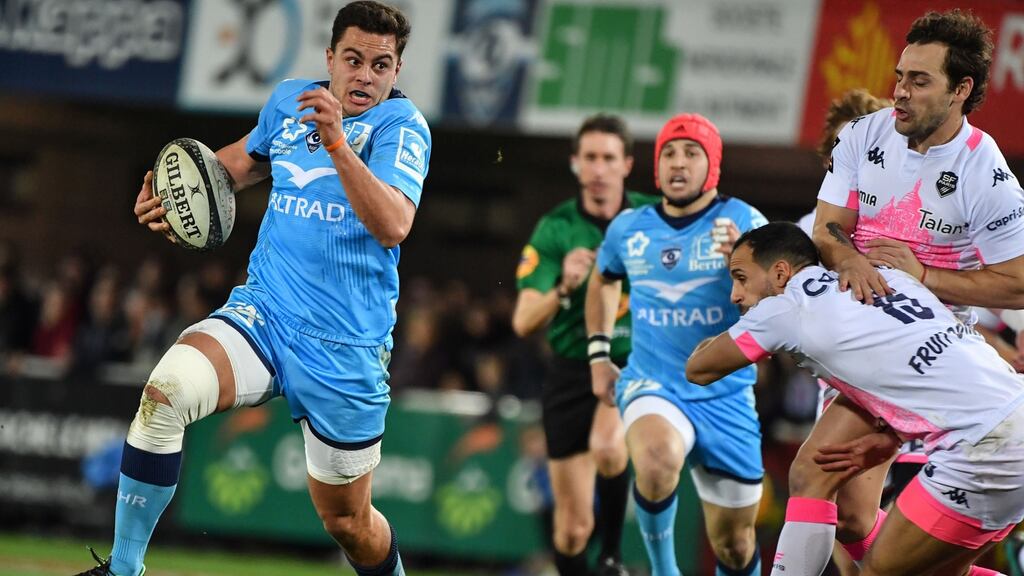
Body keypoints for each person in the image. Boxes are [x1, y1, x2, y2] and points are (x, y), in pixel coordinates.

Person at [76, 2, 429, 575]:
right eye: (354, 59)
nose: (366, 76)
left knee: (348, 524)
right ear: (330, 58)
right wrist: (175, 192)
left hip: (345, 348)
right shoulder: (290, 101)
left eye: (382, 65)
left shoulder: (403, 128)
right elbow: (235, 168)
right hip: (263, 314)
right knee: (163, 395)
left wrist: (339, 143)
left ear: (398, 69)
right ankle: (124, 569)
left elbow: (393, 223)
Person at [774, 8, 1024, 574]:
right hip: (864, 349)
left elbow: (1019, 284)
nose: (900, 93)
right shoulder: (865, 135)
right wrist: (850, 258)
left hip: (934, 364)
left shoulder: (987, 174)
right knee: (846, 508)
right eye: (900, 76)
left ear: (961, 90)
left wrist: (927, 277)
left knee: (888, 548)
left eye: (919, 80)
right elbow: (826, 227)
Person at [687, 221, 1023, 576]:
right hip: (1010, 412)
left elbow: (699, 369)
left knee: (877, 571)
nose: (735, 295)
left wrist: (721, 330)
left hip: (985, 447)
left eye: (741, 278)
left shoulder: (786, 307)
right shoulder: (888, 277)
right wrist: (893, 434)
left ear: (781, 272)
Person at [585, 113, 768, 576]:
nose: (678, 162)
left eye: (691, 152)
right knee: (656, 456)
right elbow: (602, 279)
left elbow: (782, 311)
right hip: (654, 383)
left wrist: (745, 265)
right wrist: (600, 355)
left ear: (714, 165)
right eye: (669, 152)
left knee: (735, 546)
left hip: (727, 397)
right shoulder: (630, 227)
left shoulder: (745, 222)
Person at [512, 113, 655, 576]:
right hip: (571, 372)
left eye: (608, 158)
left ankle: (612, 557)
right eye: (589, 157)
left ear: (627, 164)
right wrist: (565, 287)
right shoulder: (556, 229)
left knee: (610, 447)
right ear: (575, 164)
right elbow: (523, 320)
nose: (598, 168)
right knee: (571, 531)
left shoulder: (653, 219)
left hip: (633, 364)